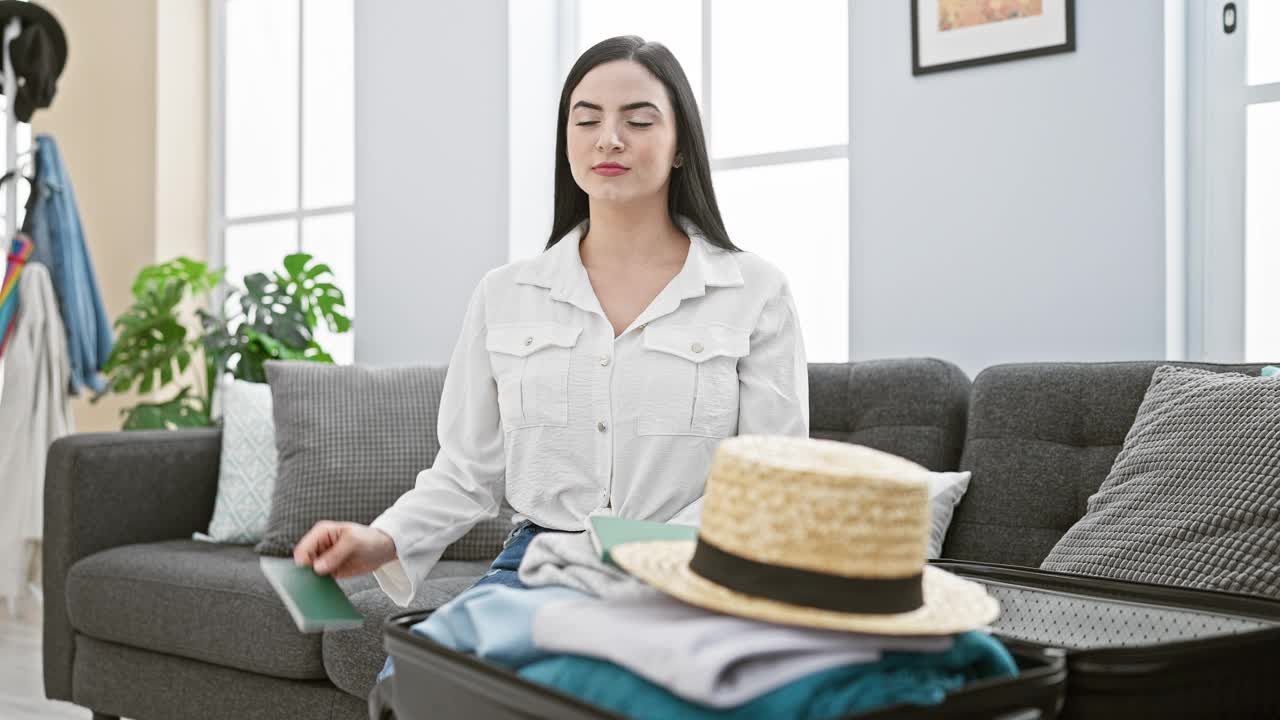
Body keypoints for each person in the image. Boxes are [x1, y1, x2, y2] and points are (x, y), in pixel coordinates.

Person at [292, 34, 809, 682]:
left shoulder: (755, 292)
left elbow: (772, 480)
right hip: (538, 568)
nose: (608, 139)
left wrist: (650, 562)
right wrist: (382, 540)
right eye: (586, 119)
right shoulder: (505, 294)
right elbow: (466, 471)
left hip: (690, 574)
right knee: (417, 690)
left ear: (681, 145)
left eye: (638, 120)